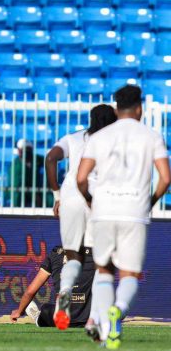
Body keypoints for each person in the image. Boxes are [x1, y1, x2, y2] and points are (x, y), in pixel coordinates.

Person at [77, 85, 170, 349]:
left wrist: (89, 200)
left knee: (104, 271)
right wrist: (149, 201)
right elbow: (165, 177)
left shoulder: (100, 137)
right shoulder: (151, 136)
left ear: (116, 109)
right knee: (129, 274)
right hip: (134, 212)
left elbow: (81, 178)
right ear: (140, 108)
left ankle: (106, 334)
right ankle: (118, 308)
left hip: (103, 211)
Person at [45, 104, 116, 330]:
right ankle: (95, 314)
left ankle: (64, 294)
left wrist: (57, 196)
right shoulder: (115, 143)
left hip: (70, 199)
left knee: (73, 256)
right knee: (101, 260)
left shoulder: (73, 138)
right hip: (97, 200)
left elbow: (50, 159)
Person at [10, 246, 96, 329]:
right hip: (88, 320)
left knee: (46, 309)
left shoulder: (56, 254)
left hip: (58, 321)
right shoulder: (96, 254)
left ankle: (37, 317)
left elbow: (30, 291)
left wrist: (19, 312)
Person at [10, 139, 48, 208]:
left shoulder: (38, 159)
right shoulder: (16, 165)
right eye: (23, 149)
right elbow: (19, 185)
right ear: (18, 151)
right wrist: (34, 196)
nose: (26, 152)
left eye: (28, 149)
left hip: (39, 191)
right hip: (21, 194)